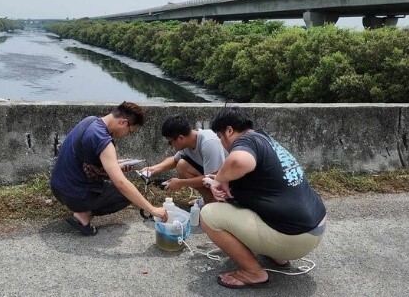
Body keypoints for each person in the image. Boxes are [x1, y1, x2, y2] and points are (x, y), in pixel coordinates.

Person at [200, 107, 327, 289]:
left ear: (229, 131)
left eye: (220, 137)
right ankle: (278, 255)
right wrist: (224, 179)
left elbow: (238, 161)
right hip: (314, 228)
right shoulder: (265, 140)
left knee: (208, 215)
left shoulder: (247, 141)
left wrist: (219, 179)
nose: (221, 142)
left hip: (294, 238)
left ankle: (253, 273)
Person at [50, 101, 167, 236]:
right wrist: (152, 209)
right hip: (73, 194)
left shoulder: (91, 121)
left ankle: (81, 208)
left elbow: (87, 161)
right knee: (124, 195)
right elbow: (122, 184)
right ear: (123, 122)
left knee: (117, 186)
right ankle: (83, 214)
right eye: (130, 132)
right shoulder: (103, 139)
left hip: (58, 187)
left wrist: (116, 164)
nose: (126, 135)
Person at [140, 114, 227, 204]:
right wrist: (153, 169)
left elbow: (213, 179)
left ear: (180, 138)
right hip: (214, 176)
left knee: (185, 167)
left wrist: (181, 183)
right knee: (182, 165)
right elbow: (174, 160)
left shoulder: (209, 143)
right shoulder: (189, 141)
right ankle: (207, 199)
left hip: (228, 181)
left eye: (170, 142)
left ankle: (217, 202)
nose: (171, 146)